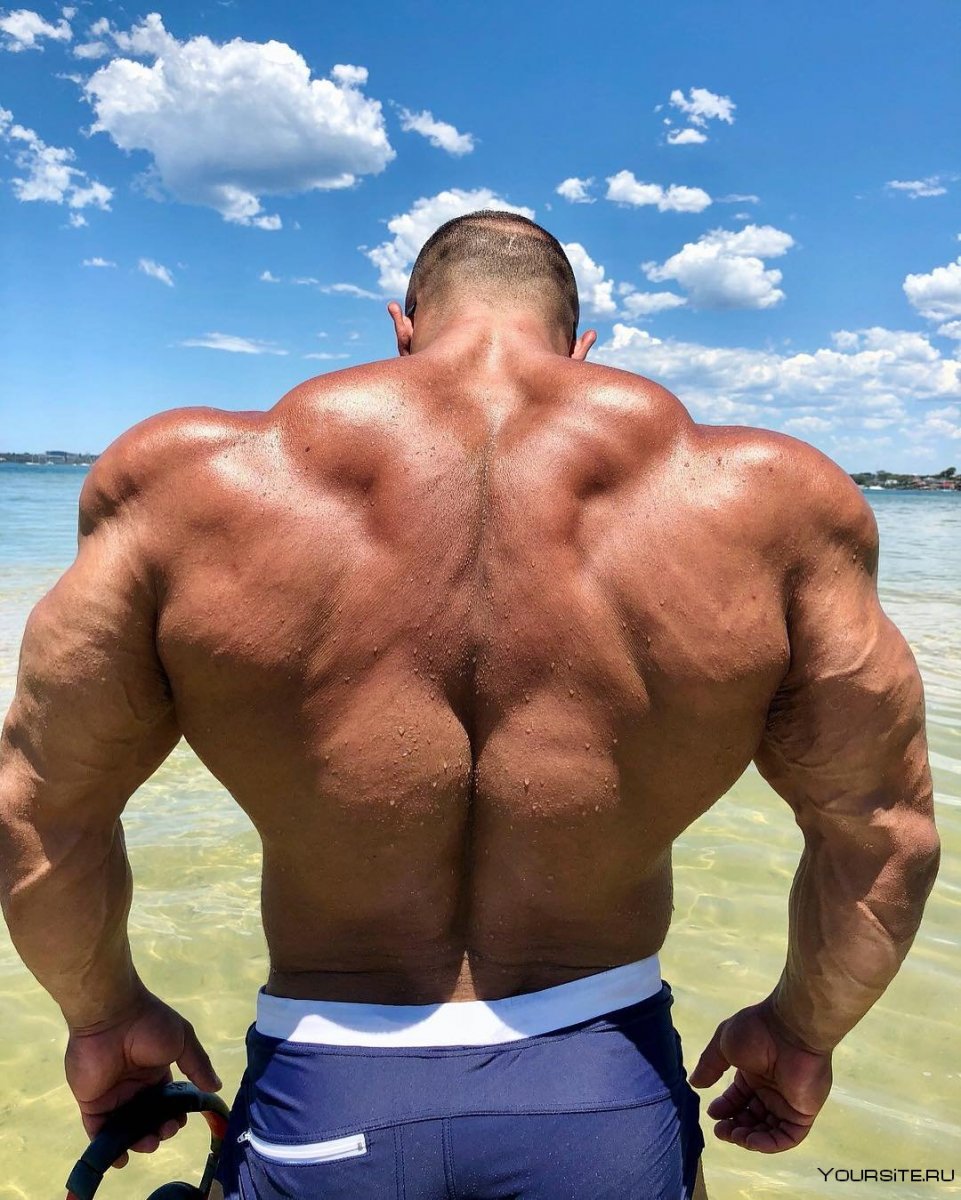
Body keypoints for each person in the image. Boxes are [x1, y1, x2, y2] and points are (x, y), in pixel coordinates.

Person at [0, 211, 940, 1200]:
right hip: (603, 1094)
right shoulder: (775, 502)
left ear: (401, 326)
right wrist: (800, 1031)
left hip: (324, 1092)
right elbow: (883, 834)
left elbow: (42, 809)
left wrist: (104, 1016)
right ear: (581, 345)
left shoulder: (185, 484)